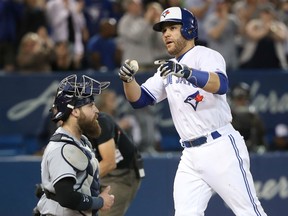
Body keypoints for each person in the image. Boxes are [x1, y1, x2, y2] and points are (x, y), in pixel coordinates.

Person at [118, 6, 267, 215]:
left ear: (188, 29)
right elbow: (140, 99)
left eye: (172, 28)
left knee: (249, 211)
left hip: (220, 146)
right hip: (190, 153)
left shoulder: (205, 55)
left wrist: (185, 72)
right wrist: (128, 80)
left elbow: (221, 84)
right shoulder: (168, 68)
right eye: (163, 30)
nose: (166, 34)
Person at [36, 74, 114, 216]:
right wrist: (100, 202)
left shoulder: (81, 141)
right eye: (90, 105)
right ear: (75, 112)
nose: (96, 110)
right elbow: (67, 197)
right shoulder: (61, 148)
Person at [88, 112, 144, 216]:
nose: (95, 109)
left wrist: (82, 181)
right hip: (97, 172)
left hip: (122, 174)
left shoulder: (100, 121)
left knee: (105, 214)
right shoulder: (66, 127)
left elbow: (109, 164)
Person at [229, 82, 267, 153]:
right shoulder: (228, 114)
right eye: (238, 98)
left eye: (243, 98)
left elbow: (260, 134)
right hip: (232, 149)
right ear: (233, 99)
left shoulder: (252, 114)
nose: (241, 101)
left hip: (251, 149)